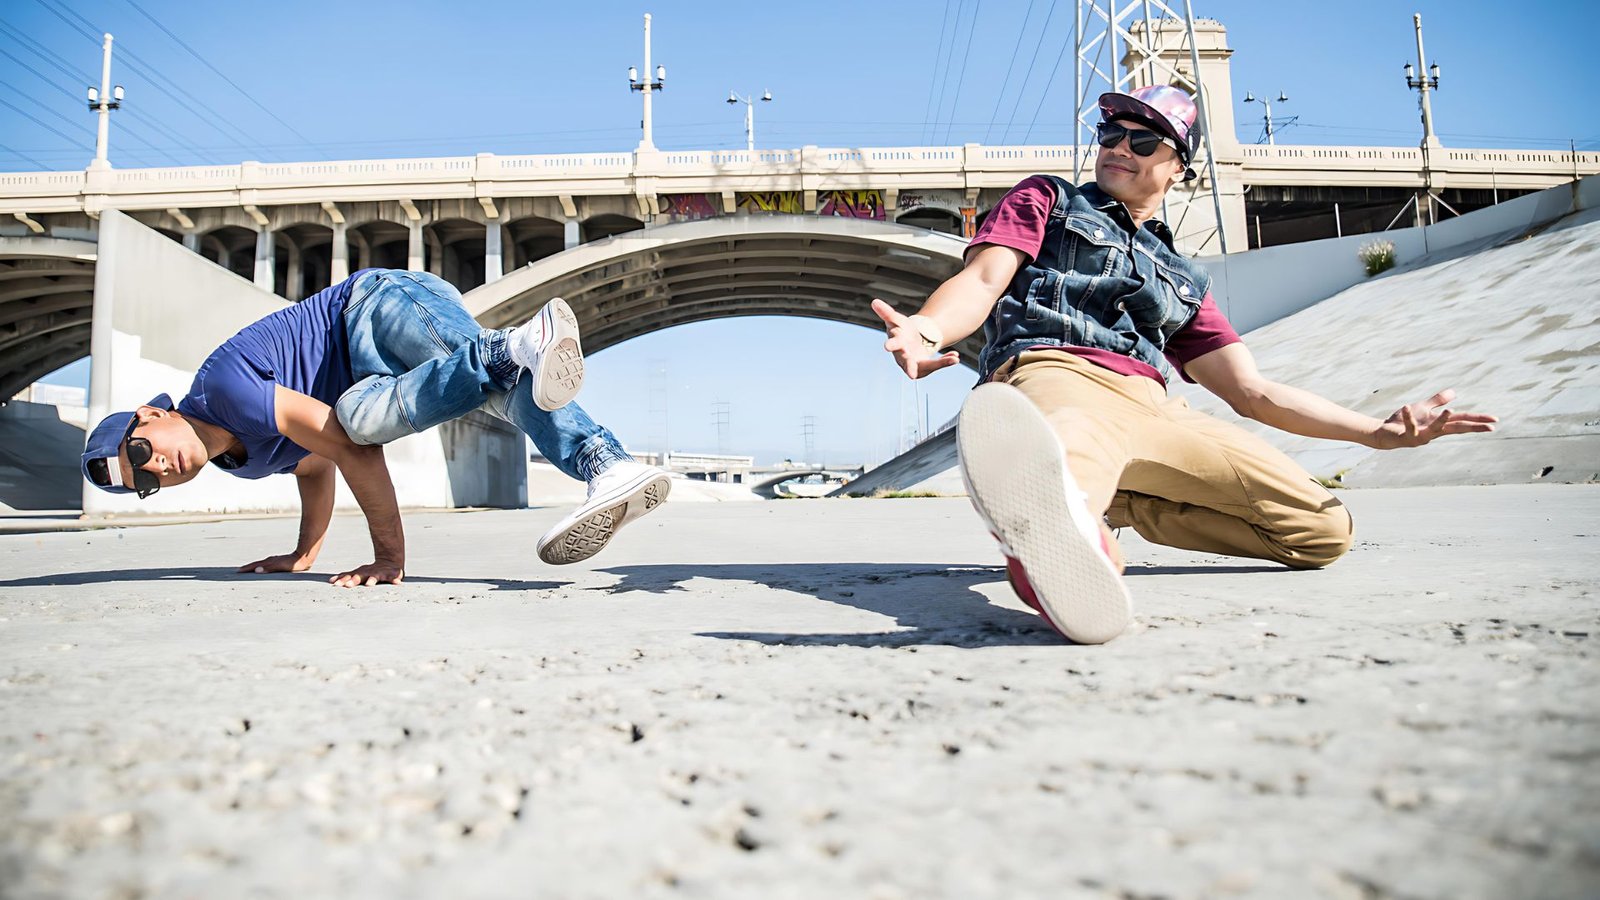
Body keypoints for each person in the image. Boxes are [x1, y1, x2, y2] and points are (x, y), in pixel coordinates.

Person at [871, 84, 1496, 644]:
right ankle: (1062, 536)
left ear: (1179, 168)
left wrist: (1376, 434)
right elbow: (982, 280)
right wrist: (926, 327)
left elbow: (1252, 392)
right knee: (1071, 443)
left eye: (1143, 140)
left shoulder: (1185, 279)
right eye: (1110, 133)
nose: (1120, 146)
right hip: (1059, 371)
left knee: (1321, 531)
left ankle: (1104, 508)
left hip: (1157, 409)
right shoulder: (1050, 200)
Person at [81, 268, 670, 586]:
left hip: (374, 307)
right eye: (146, 481)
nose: (157, 467)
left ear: (152, 414)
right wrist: (303, 553)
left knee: (387, 418)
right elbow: (315, 465)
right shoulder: (244, 460)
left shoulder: (224, 392)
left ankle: (531, 369)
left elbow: (348, 455)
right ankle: (602, 460)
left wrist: (389, 557)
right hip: (366, 380)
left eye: (142, 450)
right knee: (370, 417)